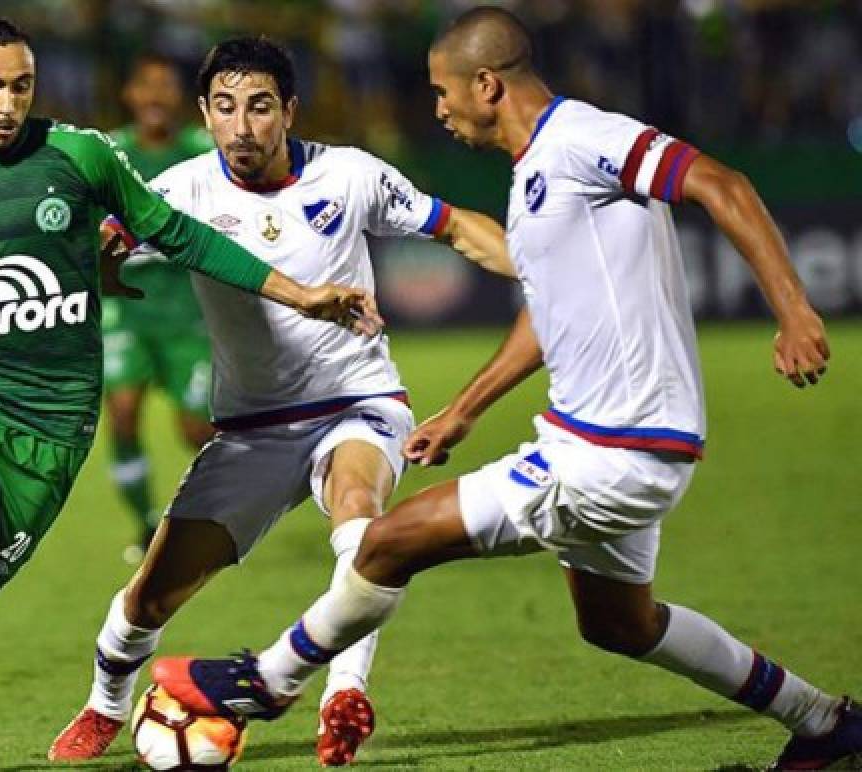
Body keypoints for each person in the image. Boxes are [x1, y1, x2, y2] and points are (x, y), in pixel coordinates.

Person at [153, 8, 861, 771]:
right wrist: (463, 410)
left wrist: (794, 311)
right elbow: (545, 319)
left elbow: (722, 182)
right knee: (620, 623)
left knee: (389, 541)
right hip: (595, 437)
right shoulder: (530, 184)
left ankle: (264, 682)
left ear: (486, 84)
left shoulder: (585, 138)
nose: (437, 109)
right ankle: (823, 722)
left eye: (442, 91)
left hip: (613, 451)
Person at [0, 13, 380, 772]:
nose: (6, 104)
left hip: (52, 429)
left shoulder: (81, 156)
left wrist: (298, 292)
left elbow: (181, 233)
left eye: (20, 86)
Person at [47, 36, 515, 767]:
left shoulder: (350, 175)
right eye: (226, 108)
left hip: (357, 401)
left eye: (260, 107)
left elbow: (453, 225)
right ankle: (105, 705)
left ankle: (343, 695)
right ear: (205, 111)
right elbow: (103, 242)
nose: (243, 126)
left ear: (289, 111)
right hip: (252, 429)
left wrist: (534, 268)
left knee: (361, 513)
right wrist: (103, 262)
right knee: (150, 597)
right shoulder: (182, 191)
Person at [102, 53, 217, 565]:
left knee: (196, 429)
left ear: (181, 99)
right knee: (123, 412)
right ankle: (146, 525)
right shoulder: (109, 154)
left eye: (165, 87)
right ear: (130, 95)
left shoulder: (202, 153)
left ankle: (222, 514)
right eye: (145, 86)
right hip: (124, 311)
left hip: (187, 311)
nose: (154, 97)